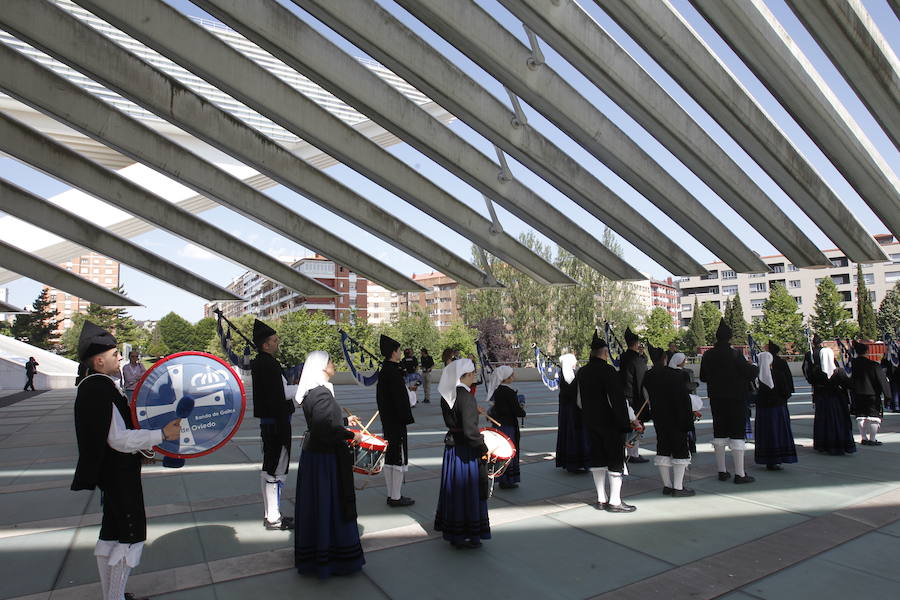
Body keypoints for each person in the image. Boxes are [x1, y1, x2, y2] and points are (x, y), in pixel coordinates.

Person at [71, 321, 180, 600]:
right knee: (130, 537)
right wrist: (160, 434)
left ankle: (112, 596)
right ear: (99, 361)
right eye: (114, 354)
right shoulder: (99, 387)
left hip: (110, 474)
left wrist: (142, 449)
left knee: (110, 533)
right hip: (119, 475)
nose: (119, 357)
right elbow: (118, 439)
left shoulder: (91, 386)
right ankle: (115, 597)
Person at [293, 350, 365, 578]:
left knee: (318, 505)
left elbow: (321, 422)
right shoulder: (322, 394)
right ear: (323, 367)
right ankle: (333, 558)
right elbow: (326, 429)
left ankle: (317, 553)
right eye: (331, 361)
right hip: (324, 458)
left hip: (314, 455)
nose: (334, 364)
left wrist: (344, 421)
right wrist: (350, 436)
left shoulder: (313, 392)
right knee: (330, 503)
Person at [578, 330, 640, 513]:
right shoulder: (609, 371)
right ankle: (614, 501)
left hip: (590, 422)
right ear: (605, 353)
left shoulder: (582, 372)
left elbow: (579, 401)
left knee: (597, 459)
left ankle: (600, 498)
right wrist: (625, 424)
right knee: (615, 460)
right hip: (610, 423)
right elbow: (617, 401)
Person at [434, 358, 491, 548]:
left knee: (454, 492)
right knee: (466, 492)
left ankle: (454, 531)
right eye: (473, 373)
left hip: (452, 449)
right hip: (465, 451)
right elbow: (470, 431)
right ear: (464, 376)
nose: (475, 375)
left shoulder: (449, 394)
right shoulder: (466, 397)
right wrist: (483, 448)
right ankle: (466, 534)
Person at [699, 319, 759, 484]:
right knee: (737, 433)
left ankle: (722, 471)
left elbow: (703, 376)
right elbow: (749, 373)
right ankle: (740, 474)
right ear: (730, 337)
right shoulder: (735, 354)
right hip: (736, 398)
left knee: (719, 432)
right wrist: (755, 366)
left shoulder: (708, 355)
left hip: (716, 399)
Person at [250, 319, 294, 531]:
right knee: (275, 470)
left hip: (271, 423)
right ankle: (274, 517)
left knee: (270, 468)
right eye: (274, 341)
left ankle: (272, 514)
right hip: (277, 423)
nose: (278, 343)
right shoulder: (268, 364)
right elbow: (281, 394)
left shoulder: (261, 363)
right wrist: (305, 388)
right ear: (265, 345)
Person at [644, 347, 695, 497]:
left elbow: (647, 396)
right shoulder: (674, 375)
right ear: (664, 358)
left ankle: (667, 485)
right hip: (676, 417)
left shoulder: (648, 376)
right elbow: (683, 400)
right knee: (680, 451)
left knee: (663, 448)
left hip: (659, 417)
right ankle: (678, 487)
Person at [376, 334, 415, 506]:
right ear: (393, 352)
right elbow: (401, 399)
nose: (400, 353)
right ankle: (396, 496)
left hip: (388, 421)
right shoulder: (393, 372)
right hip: (396, 422)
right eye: (398, 350)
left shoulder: (385, 371)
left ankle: (392, 494)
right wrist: (410, 396)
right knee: (398, 458)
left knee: (390, 458)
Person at [753, 345, 797, 470]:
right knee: (777, 433)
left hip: (762, 411)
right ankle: (778, 458)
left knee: (766, 434)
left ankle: (767, 459)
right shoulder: (778, 374)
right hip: (777, 409)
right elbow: (786, 392)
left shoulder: (756, 378)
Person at [813, 346, 856, 455]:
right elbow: (849, 385)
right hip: (837, 401)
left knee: (824, 423)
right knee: (837, 423)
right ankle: (838, 445)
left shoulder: (816, 371)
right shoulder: (838, 371)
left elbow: (813, 384)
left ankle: (824, 445)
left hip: (822, 401)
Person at [487, 365, 525, 489]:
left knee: (500, 451)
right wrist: (522, 409)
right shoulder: (509, 392)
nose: (514, 377)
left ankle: (502, 477)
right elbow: (516, 411)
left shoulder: (497, 390)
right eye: (512, 375)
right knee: (509, 451)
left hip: (499, 426)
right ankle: (508, 480)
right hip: (508, 426)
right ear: (507, 378)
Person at [850, 341, 891, 446]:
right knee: (874, 417)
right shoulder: (873, 365)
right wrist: (888, 395)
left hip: (857, 394)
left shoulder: (852, 365)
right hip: (872, 394)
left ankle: (864, 438)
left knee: (861, 416)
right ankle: (872, 439)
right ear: (867, 351)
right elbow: (882, 381)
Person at [555, 353, 590, 473]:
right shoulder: (570, 376)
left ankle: (570, 462)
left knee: (568, 434)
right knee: (574, 435)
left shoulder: (564, 374)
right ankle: (576, 463)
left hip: (567, 410)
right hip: (573, 411)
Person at [619, 328, 649, 463]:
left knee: (627, 424)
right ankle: (633, 454)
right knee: (636, 424)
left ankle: (627, 451)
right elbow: (643, 380)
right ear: (636, 344)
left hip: (624, 395)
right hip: (635, 397)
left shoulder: (624, 357)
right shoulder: (636, 360)